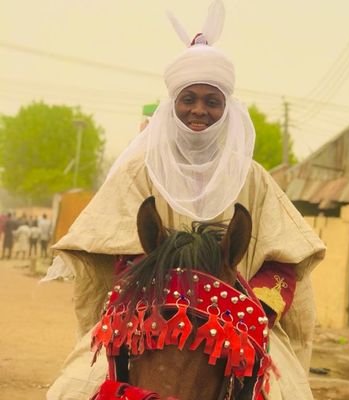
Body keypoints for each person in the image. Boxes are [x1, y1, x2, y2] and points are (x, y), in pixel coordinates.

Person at [46, 1, 325, 399]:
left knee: (288, 392)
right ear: (173, 103)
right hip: (147, 309)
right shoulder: (137, 172)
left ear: (226, 108)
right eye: (188, 98)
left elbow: (287, 258)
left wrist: (247, 309)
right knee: (72, 388)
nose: (199, 110)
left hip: (236, 315)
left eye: (212, 101)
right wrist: (156, 288)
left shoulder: (254, 178)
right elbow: (105, 248)